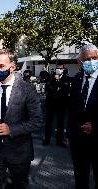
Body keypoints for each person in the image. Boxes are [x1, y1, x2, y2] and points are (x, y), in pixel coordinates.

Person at [0, 49, 42, 189]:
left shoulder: (27, 89)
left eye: (1, 66)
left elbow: (37, 120)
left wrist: (11, 129)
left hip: (19, 153)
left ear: (13, 67)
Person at [67, 44, 98, 189]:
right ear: (80, 61)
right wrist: (69, 133)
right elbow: (72, 109)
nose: (91, 61)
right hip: (78, 140)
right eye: (87, 59)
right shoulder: (76, 80)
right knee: (80, 178)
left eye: (95, 58)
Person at [43, 62, 71, 147]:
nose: (59, 70)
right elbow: (47, 87)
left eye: (61, 68)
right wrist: (54, 82)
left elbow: (67, 90)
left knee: (60, 123)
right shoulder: (51, 77)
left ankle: (59, 140)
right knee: (49, 122)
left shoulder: (66, 78)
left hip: (61, 104)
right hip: (51, 103)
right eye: (57, 68)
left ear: (63, 69)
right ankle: (47, 139)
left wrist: (59, 82)